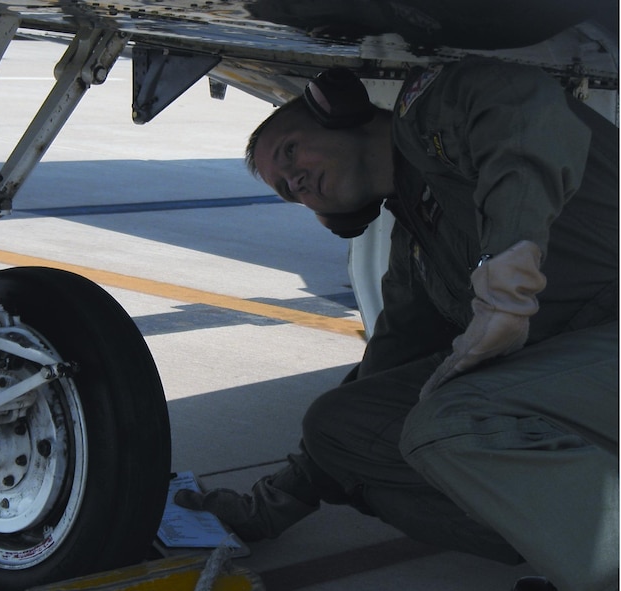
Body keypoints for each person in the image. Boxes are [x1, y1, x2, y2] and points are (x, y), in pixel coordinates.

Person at [175, 57, 619, 591]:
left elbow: (521, 110)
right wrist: (271, 505)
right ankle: (554, 540)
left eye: (290, 151)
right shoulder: (418, 246)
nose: (294, 179)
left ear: (337, 112)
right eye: (288, 189)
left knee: (450, 422)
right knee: (340, 424)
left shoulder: (434, 111)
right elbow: (386, 366)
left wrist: (509, 268)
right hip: (577, 378)